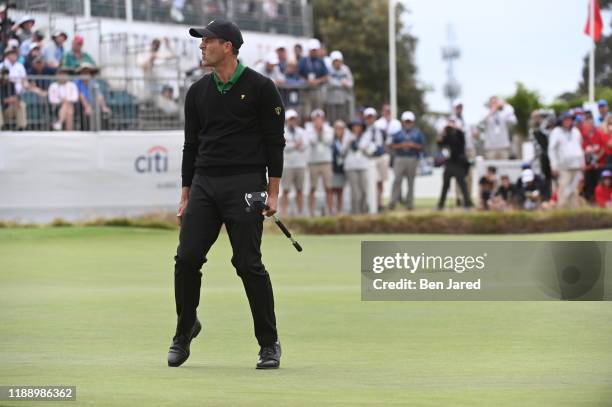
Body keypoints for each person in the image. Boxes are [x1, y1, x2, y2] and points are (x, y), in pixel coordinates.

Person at [169, 20, 286, 370]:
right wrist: (185, 194)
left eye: (208, 41)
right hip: (205, 182)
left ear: (229, 46)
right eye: (202, 41)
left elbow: (274, 143)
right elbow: (191, 145)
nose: (202, 46)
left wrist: (274, 192)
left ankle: (269, 344)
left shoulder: (262, 88)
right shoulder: (197, 92)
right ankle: (185, 328)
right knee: (186, 259)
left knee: (247, 263)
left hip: (246, 182)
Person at [387, 111, 425, 210]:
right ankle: (393, 202)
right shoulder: (398, 133)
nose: (408, 123)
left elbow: (422, 146)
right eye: (406, 121)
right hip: (400, 158)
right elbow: (391, 145)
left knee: (410, 182)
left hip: (412, 158)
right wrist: (402, 145)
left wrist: (413, 145)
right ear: (403, 122)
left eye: (410, 121)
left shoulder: (417, 133)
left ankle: (409, 204)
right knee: (397, 181)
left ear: (413, 122)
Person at [548, 112, 584, 209]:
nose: (568, 121)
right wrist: (554, 165)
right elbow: (552, 150)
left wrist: (582, 162)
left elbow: (580, 147)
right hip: (563, 166)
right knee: (563, 188)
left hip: (576, 165)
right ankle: (562, 210)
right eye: (566, 119)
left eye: (570, 119)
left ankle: (574, 211)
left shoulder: (576, 131)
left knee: (574, 190)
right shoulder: (556, 132)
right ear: (561, 121)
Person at [436, 118, 473, 210]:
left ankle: (467, 203)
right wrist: (443, 131)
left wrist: (456, 128)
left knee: (462, 185)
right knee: (445, 185)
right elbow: (440, 143)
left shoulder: (459, 134)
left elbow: (462, 140)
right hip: (449, 163)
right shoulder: (446, 135)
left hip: (458, 164)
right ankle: (441, 204)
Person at [306, 108, 334, 216]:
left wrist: (321, 131)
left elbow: (328, 141)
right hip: (313, 162)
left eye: (320, 119)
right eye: (316, 119)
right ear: (313, 120)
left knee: (329, 188)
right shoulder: (308, 130)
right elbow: (312, 141)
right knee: (312, 188)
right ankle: (311, 212)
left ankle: (330, 210)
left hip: (326, 162)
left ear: (323, 119)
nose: (318, 121)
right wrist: (317, 131)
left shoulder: (328, 129)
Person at [343, 119, 375, 214]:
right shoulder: (347, 135)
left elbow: (370, 152)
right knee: (355, 191)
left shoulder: (366, 136)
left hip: (363, 166)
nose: (356, 128)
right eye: (355, 126)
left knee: (364, 190)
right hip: (351, 167)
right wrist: (348, 144)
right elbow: (342, 152)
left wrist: (364, 148)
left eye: (359, 126)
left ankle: (363, 210)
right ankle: (355, 212)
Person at [280, 109, 308, 216]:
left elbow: (305, 145)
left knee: (300, 190)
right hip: (287, 165)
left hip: (300, 165)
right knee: (286, 190)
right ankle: (284, 213)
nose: (292, 121)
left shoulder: (302, 131)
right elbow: (284, 147)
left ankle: (300, 213)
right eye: (290, 119)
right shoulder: (282, 131)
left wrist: (292, 144)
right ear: (287, 120)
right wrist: (295, 145)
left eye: (294, 119)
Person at [363, 107, 387, 210]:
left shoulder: (380, 130)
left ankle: (379, 203)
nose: (370, 119)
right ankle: (369, 203)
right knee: (369, 182)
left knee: (380, 181)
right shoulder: (362, 130)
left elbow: (384, 142)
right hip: (368, 158)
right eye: (368, 117)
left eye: (372, 117)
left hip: (379, 157)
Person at [74, 63, 111, 130]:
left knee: (100, 101)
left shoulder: (93, 82)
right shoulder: (77, 82)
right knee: (86, 106)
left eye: (87, 72)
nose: (86, 74)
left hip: (92, 103)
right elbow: (80, 95)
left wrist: (103, 106)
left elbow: (98, 94)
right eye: (84, 72)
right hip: (80, 105)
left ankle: (103, 109)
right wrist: (87, 106)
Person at [580, 111, 606, 203]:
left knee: (597, 182)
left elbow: (603, 147)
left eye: (591, 123)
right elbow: (580, 149)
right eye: (588, 123)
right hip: (587, 165)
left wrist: (597, 157)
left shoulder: (599, 133)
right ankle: (589, 200)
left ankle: (597, 200)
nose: (590, 125)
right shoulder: (582, 135)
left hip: (598, 164)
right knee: (588, 183)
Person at [326, 50, 353, 118]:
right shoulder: (328, 70)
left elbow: (350, 83)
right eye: (336, 61)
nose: (337, 62)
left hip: (344, 99)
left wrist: (346, 84)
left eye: (339, 60)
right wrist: (342, 83)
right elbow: (329, 82)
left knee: (343, 117)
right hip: (332, 99)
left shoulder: (346, 69)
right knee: (332, 118)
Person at [331, 120, 347, 214]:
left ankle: (340, 209)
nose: (339, 130)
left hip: (342, 168)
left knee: (341, 190)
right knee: (333, 190)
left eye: (341, 128)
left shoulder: (345, 140)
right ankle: (332, 209)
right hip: (333, 167)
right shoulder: (332, 140)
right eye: (337, 128)